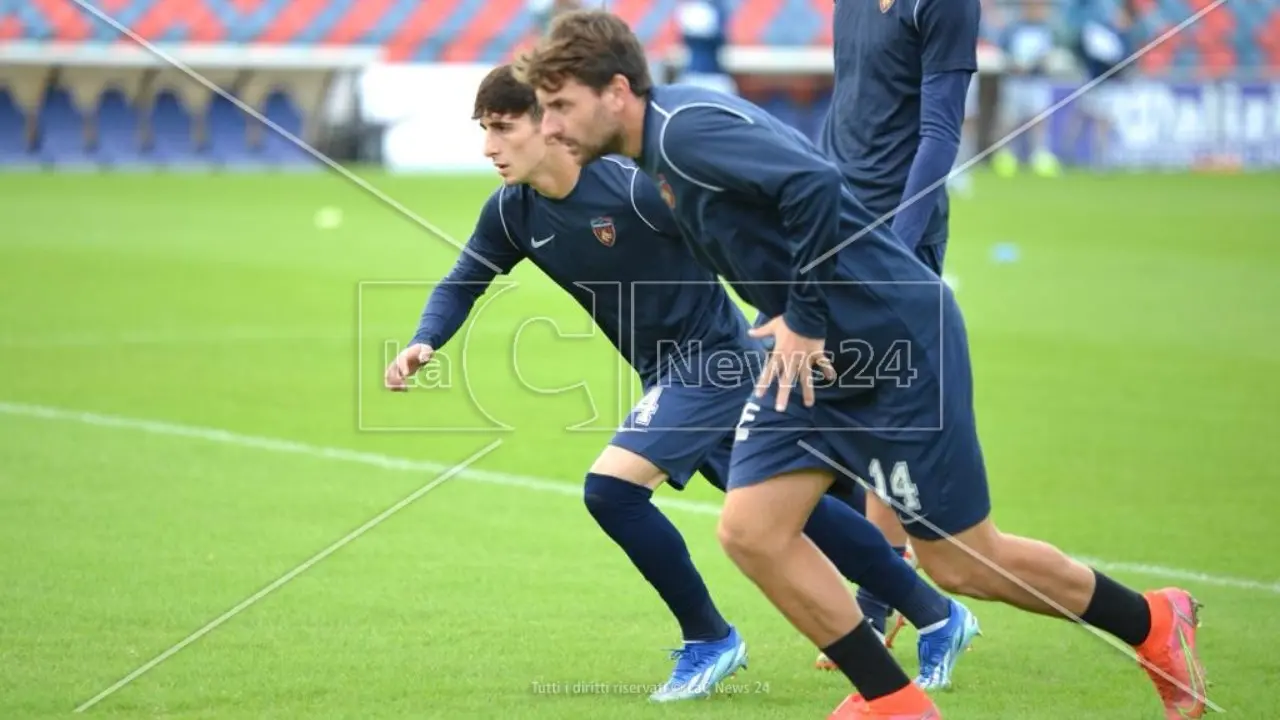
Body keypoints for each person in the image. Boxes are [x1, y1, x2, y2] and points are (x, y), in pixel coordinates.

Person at [517, 9, 1209, 720]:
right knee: (752, 531)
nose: (553, 126)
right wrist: (788, 310)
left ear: (618, 90)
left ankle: (1152, 621)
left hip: (892, 337)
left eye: (562, 106)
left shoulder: (685, 132)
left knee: (961, 562)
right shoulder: (659, 145)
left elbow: (814, 182)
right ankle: (895, 703)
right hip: (819, 353)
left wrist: (806, 316)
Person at [385, 64, 977, 703]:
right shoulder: (511, 213)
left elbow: (744, 240)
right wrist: (426, 338)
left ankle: (709, 638)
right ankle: (938, 614)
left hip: (714, 360)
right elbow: (462, 280)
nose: (488, 148)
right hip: (666, 373)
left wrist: (799, 318)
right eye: (483, 131)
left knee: (611, 490)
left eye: (502, 128)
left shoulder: (635, 190)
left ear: (549, 124)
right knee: (802, 519)